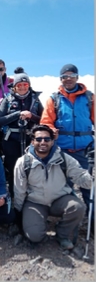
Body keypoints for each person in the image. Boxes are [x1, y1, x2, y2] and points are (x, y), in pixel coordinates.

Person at [14, 124, 93, 249]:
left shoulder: (64, 159)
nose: (43, 142)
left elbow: (84, 181)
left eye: (47, 139)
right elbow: (19, 190)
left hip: (59, 199)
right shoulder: (23, 162)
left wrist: (91, 170)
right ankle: (38, 224)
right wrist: (18, 213)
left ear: (52, 141)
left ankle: (62, 234)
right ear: (32, 141)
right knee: (34, 236)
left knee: (78, 207)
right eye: (39, 139)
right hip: (35, 202)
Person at [40, 64, 95, 233]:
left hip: (85, 148)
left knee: (88, 186)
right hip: (62, 149)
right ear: (60, 79)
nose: (68, 79)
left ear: (77, 77)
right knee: (64, 186)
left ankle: (92, 222)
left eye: (71, 75)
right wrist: (50, 130)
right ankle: (69, 221)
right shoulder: (54, 99)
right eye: (64, 76)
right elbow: (46, 121)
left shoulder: (89, 97)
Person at [0, 72, 44, 197]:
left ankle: (32, 198)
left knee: (32, 168)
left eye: (25, 84)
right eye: (19, 85)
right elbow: (0, 119)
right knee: (13, 169)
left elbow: (43, 119)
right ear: (14, 86)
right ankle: (14, 198)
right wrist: (18, 114)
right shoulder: (7, 99)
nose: (22, 87)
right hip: (11, 140)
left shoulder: (35, 100)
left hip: (30, 140)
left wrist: (31, 116)